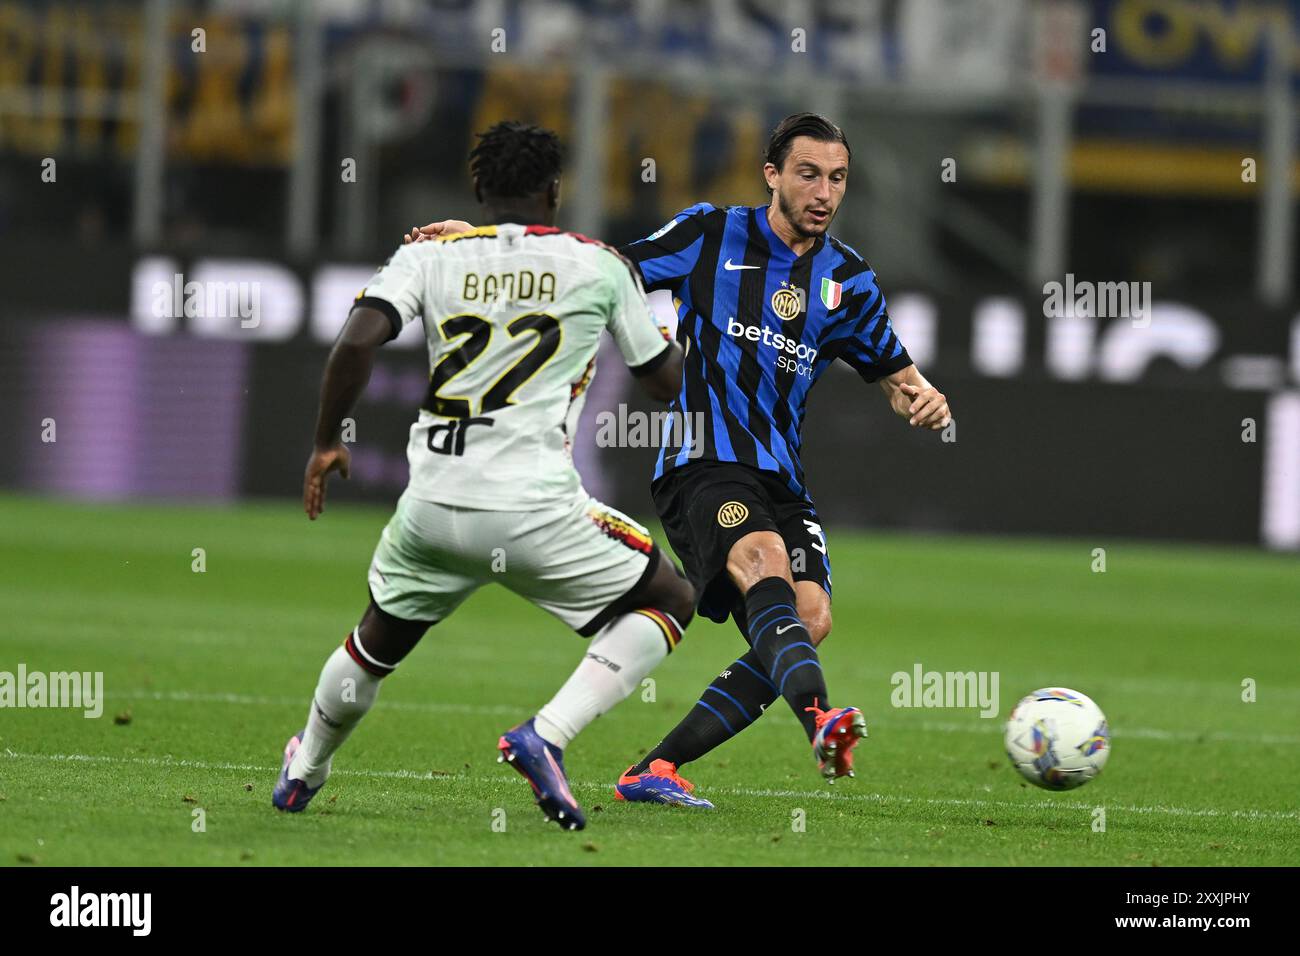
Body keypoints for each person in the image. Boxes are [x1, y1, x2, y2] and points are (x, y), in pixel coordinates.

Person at [274, 121, 692, 831]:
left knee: (374, 643)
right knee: (672, 597)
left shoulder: (431, 252)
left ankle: (305, 768)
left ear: (475, 188)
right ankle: (547, 735)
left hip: (432, 506)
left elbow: (355, 340)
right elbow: (661, 382)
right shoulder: (600, 265)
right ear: (557, 189)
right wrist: (693, 332)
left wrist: (324, 441)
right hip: (533, 509)